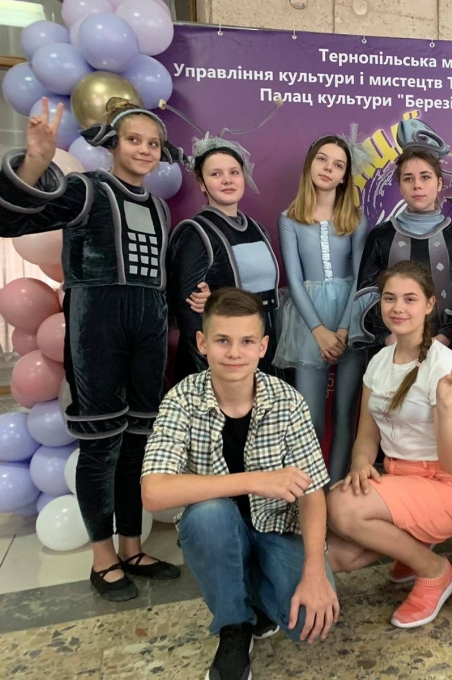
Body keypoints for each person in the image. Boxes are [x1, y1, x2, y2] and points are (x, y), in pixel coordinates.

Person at [0, 97, 182, 600]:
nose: (144, 150)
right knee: (101, 442)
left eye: (153, 143)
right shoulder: (87, 190)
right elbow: (12, 220)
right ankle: (103, 559)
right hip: (96, 322)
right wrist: (35, 163)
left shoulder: (160, 208)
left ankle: (132, 547)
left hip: (147, 327)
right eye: (134, 140)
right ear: (114, 145)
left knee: (138, 439)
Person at [142, 287, 338, 680]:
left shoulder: (287, 401)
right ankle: (234, 627)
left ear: (263, 347)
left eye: (247, 341)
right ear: (202, 343)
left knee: (307, 622)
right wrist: (255, 481)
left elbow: (312, 492)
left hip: (276, 529)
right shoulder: (181, 400)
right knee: (207, 516)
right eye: (222, 341)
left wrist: (315, 570)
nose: (234, 353)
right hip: (217, 529)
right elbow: (154, 491)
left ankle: (251, 595)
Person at [326, 260, 452, 629]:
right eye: (389, 298)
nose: (398, 308)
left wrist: (447, 407)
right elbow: (367, 434)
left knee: (342, 507)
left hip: (447, 485)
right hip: (400, 479)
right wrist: (362, 464)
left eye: (410, 299)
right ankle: (414, 548)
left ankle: (434, 570)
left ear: (429, 305)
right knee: (335, 556)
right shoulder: (379, 361)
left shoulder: (445, 365)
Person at [274, 131, 369, 482]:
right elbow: (294, 280)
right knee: (310, 417)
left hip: (349, 319)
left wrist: (343, 329)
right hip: (308, 324)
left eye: (338, 165)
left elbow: (360, 278)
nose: (329, 168)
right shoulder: (289, 219)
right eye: (322, 160)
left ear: (345, 176)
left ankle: (337, 488)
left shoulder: (356, 219)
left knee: (345, 414)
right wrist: (319, 331)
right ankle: (311, 491)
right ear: (310, 165)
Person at [350, 119, 452, 352]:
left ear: (439, 183)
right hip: (391, 351)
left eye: (425, 177)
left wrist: (441, 341)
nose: (417, 185)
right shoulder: (380, 236)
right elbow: (367, 295)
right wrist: (391, 339)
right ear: (400, 186)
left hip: (446, 351)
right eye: (408, 178)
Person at [168, 132, 282, 380]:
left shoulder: (258, 229)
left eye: (234, 172)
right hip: (221, 357)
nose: (227, 180)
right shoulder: (195, 232)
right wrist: (212, 374)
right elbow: (189, 315)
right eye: (216, 174)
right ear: (201, 183)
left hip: (262, 347)